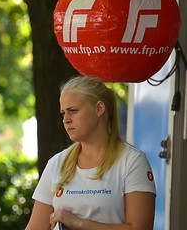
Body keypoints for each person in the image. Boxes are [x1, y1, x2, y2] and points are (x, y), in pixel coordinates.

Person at [25, 76, 156, 230]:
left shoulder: (132, 161)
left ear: (99, 108)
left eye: (73, 111)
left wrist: (77, 222)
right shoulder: (56, 163)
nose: (66, 120)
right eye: (63, 113)